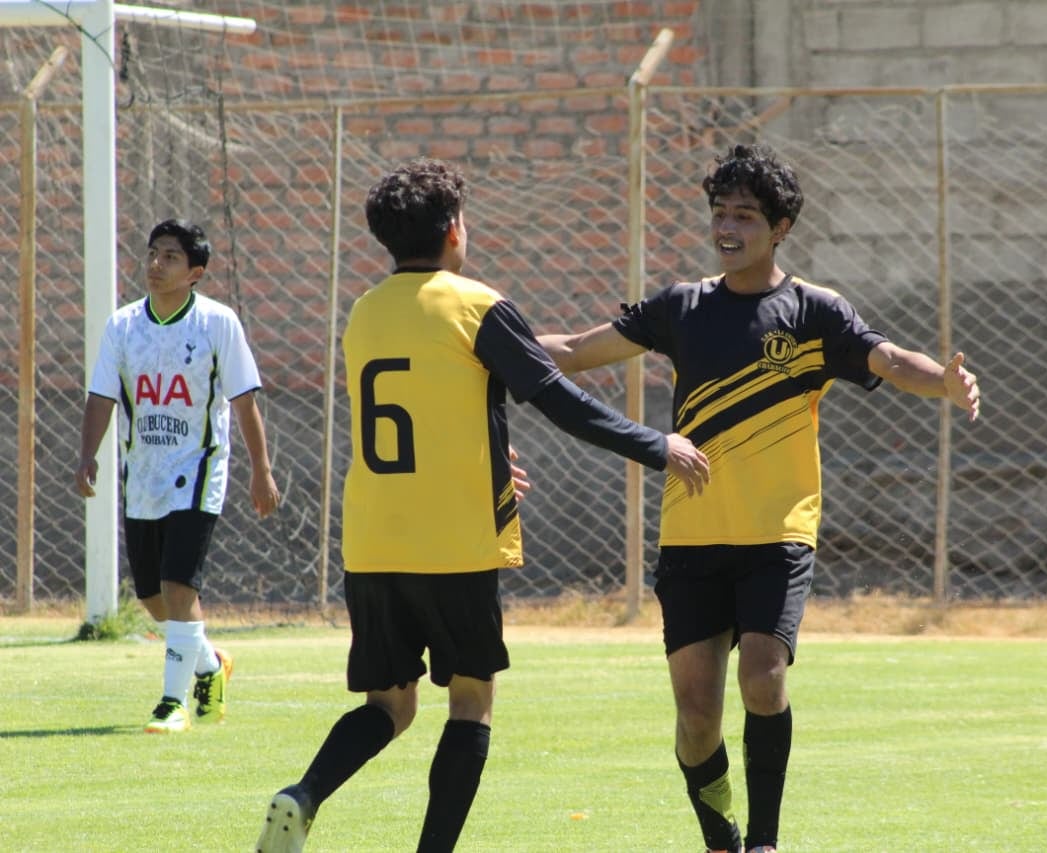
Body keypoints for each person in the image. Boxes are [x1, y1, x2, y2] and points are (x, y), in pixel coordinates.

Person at [254, 157, 710, 853]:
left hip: (374, 540)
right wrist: (657, 443)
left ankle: (304, 793)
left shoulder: (364, 312)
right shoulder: (476, 304)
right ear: (455, 230)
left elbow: (428, 406)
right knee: (470, 700)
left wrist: (489, 460)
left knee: (388, 704)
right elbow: (560, 401)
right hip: (454, 544)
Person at [538, 142, 982, 853]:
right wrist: (495, 345)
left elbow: (892, 359)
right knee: (696, 711)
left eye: (745, 214)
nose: (728, 227)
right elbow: (579, 348)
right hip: (691, 536)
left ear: (780, 228)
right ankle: (722, 836)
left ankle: (766, 842)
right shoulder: (681, 307)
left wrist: (944, 380)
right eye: (721, 212)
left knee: (763, 678)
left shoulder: (814, 312)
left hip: (778, 534)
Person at [75, 218, 281, 734]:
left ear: (195, 272)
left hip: (198, 470)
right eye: (152, 253)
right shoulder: (122, 326)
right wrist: (87, 456)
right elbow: (102, 396)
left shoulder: (217, 323)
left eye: (170, 257)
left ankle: (172, 703)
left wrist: (262, 470)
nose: (155, 264)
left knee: (179, 586)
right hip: (141, 474)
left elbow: (243, 400)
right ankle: (211, 663)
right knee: (152, 596)